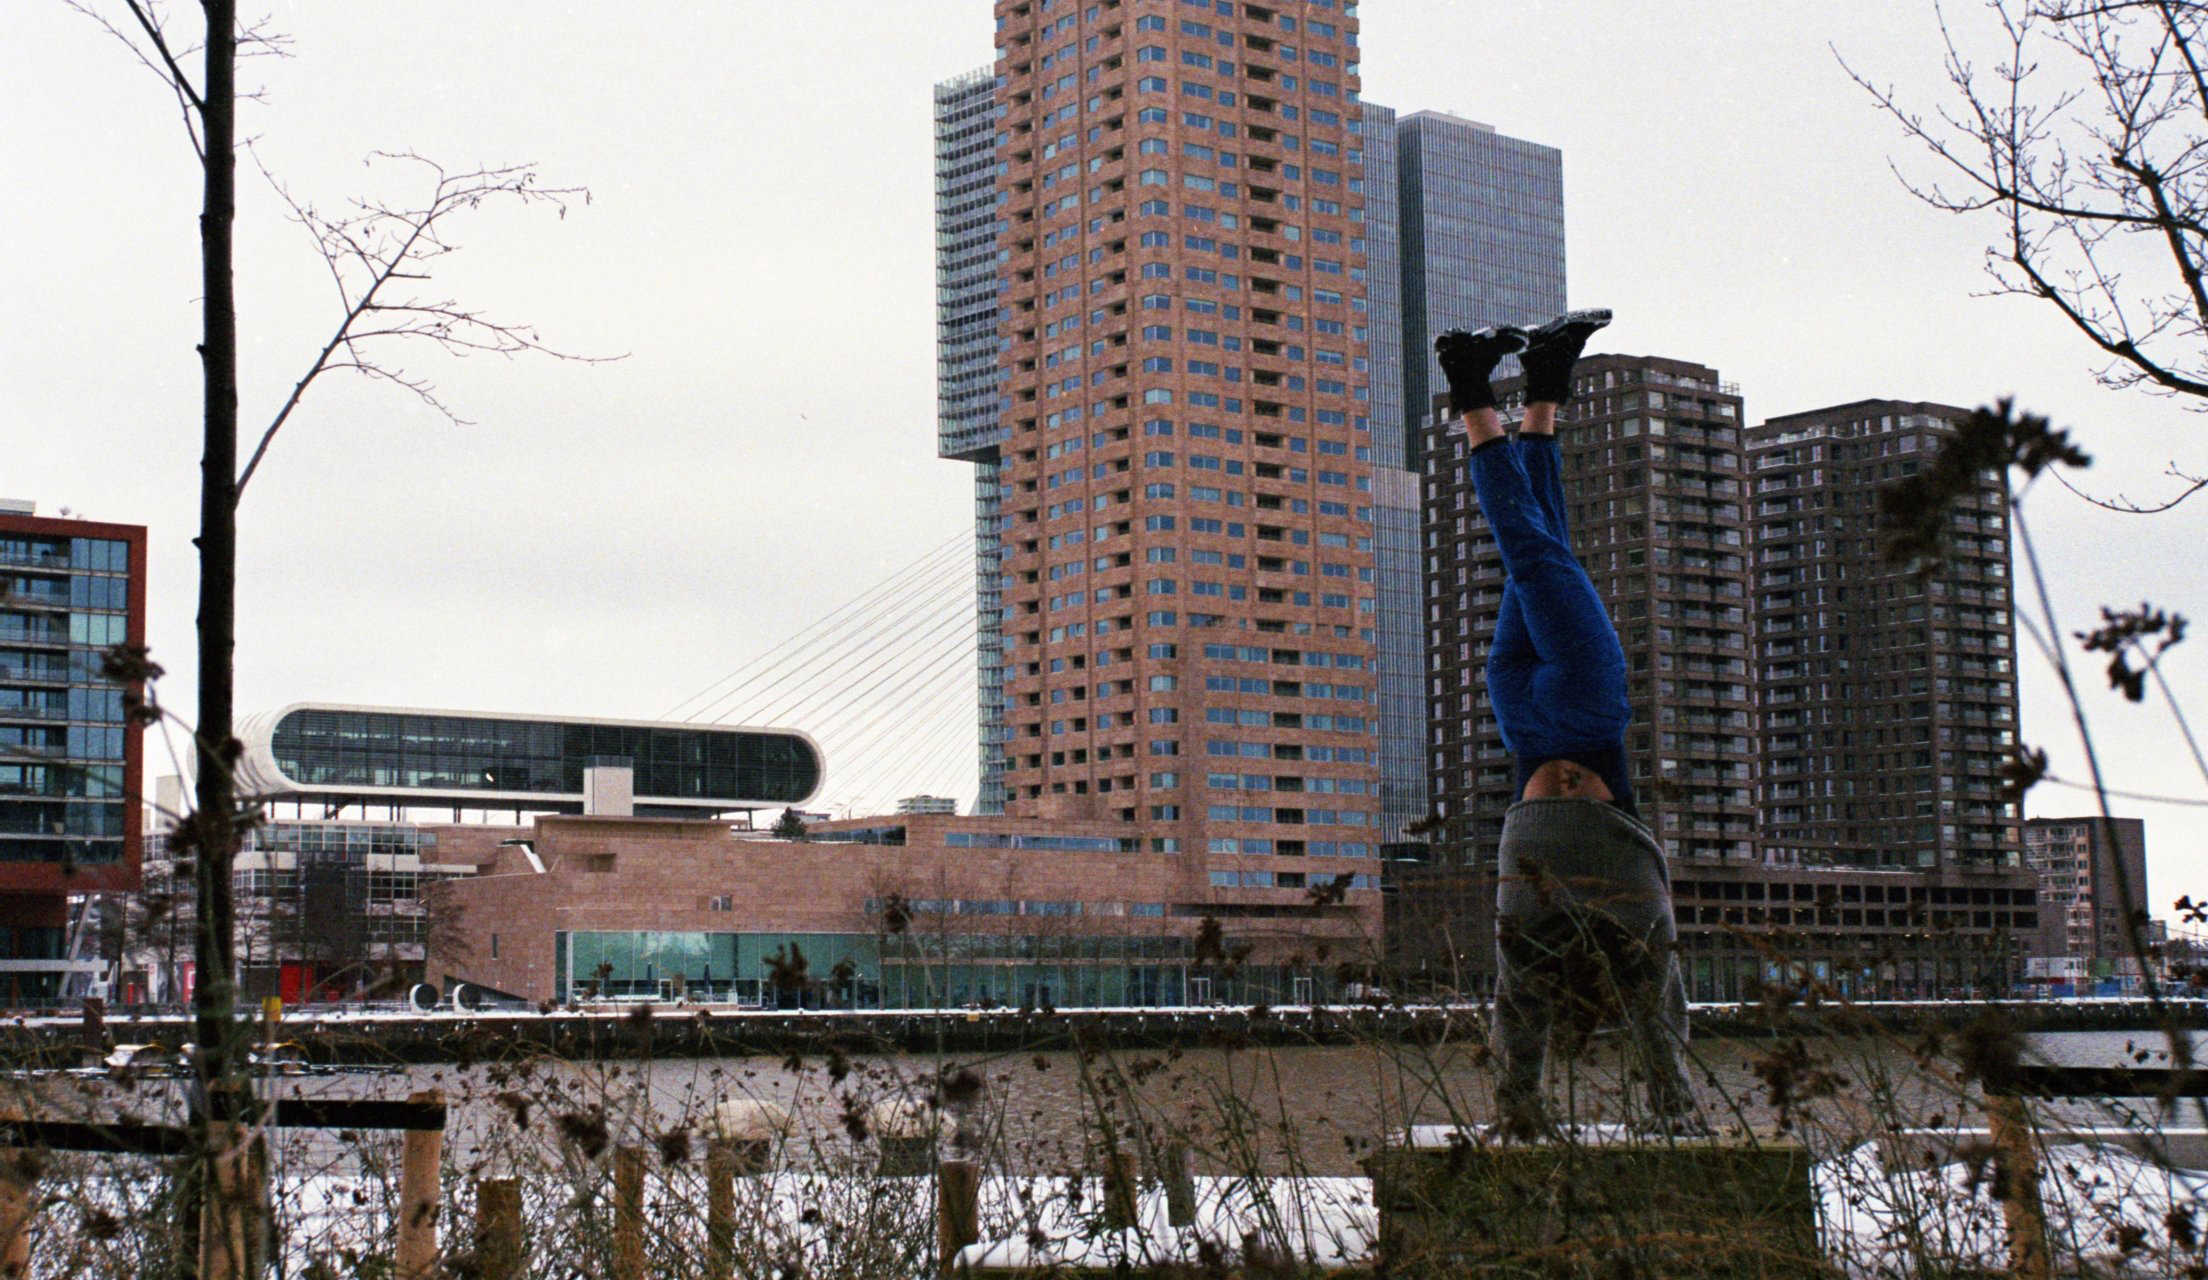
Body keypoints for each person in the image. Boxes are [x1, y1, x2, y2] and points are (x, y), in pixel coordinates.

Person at [1433, 310, 1695, 1137]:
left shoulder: (1615, 921)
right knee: (1544, 551)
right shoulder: (1632, 916)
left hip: (1534, 736)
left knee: (1536, 553)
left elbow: (1539, 1005)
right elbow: (1653, 1004)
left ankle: (1472, 384)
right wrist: (1674, 1115)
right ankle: (1543, 383)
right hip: (1571, 712)